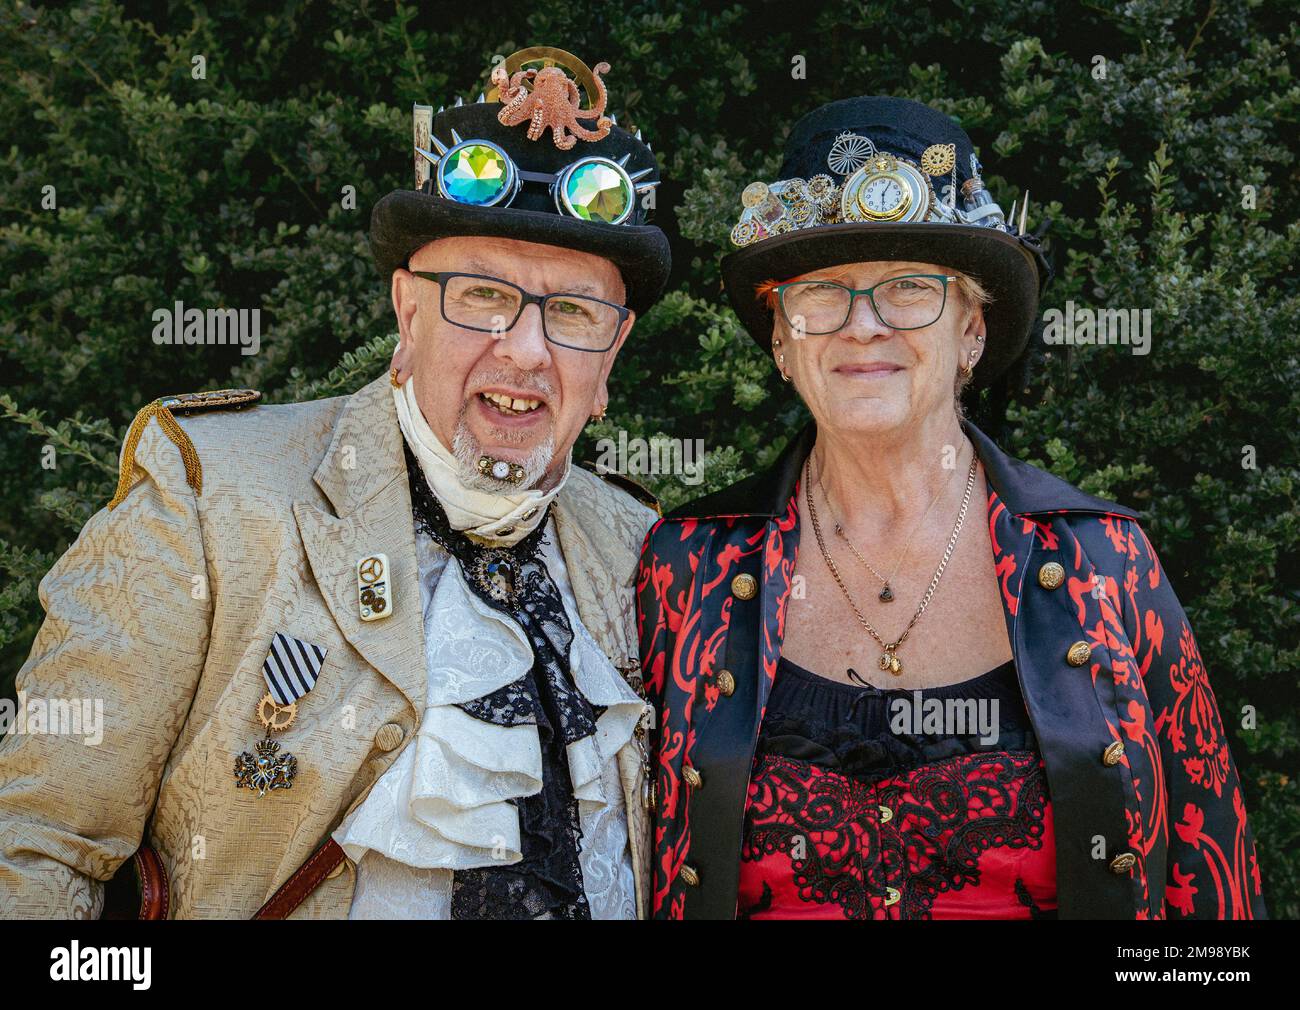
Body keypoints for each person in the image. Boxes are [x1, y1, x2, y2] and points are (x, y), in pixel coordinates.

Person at [0, 47, 670, 919]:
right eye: (480, 297)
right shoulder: (210, 496)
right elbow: (37, 852)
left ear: (610, 358)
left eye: (574, 313)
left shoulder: (639, 548)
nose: (526, 349)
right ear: (406, 313)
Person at [635, 95, 1267, 920]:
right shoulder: (683, 565)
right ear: (783, 340)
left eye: (907, 289)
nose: (863, 326)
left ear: (971, 330)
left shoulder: (1105, 561)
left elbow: (1210, 872)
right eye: (823, 292)